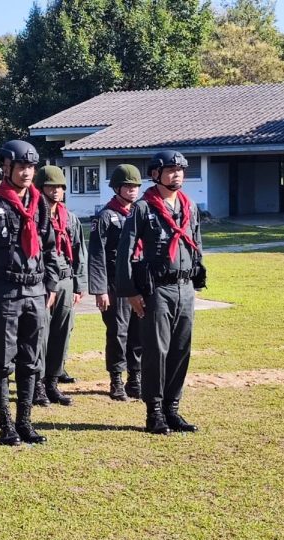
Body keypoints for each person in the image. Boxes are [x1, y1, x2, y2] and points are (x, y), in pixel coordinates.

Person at [0, 140, 59, 446]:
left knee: (31, 360)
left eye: (31, 167)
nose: (27, 173)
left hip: (35, 289)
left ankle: (25, 422)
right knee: (3, 360)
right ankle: (6, 425)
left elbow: (50, 247)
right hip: (5, 290)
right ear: (6, 168)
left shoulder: (39, 203)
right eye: (21, 167)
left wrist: (52, 285)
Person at [116, 150, 205, 435]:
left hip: (184, 287)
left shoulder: (189, 206)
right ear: (156, 174)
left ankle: (172, 409)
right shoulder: (144, 208)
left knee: (181, 350)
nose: (176, 174)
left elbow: (196, 242)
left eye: (180, 170)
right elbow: (125, 251)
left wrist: (197, 279)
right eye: (170, 170)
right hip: (158, 290)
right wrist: (130, 292)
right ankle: (154, 412)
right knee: (156, 351)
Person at [89, 164, 144, 401]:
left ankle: (135, 378)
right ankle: (116, 380)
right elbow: (96, 254)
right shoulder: (106, 216)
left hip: (138, 281)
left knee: (138, 332)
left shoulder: (140, 213)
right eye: (128, 186)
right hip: (114, 282)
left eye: (135, 186)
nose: (133, 190)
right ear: (117, 188)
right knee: (118, 332)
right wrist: (100, 290)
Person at [33, 165, 86, 407]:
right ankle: (37, 384)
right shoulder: (34, 217)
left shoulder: (69, 218)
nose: (56, 191)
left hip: (65, 280)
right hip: (42, 282)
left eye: (60, 187)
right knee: (40, 334)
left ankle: (53, 382)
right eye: (50, 186)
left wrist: (79, 285)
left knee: (61, 333)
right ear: (40, 189)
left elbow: (79, 251)